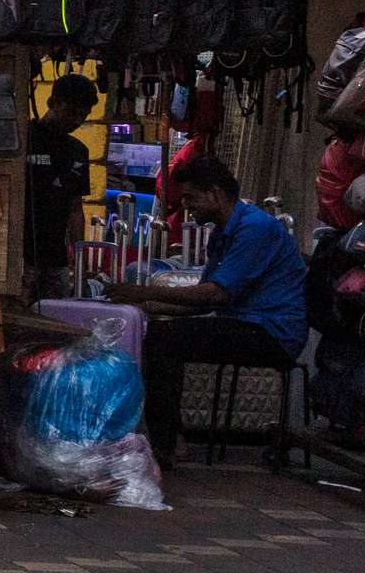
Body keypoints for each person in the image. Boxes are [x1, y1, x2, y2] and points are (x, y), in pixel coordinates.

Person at [122, 159, 306, 472]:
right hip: (241, 324)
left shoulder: (255, 228)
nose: (187, 206)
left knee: (164, 341)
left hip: (271, 333)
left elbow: (214, 294)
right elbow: (205, 301)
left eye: (191, 198)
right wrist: (145, 308)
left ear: (216, 194)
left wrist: (146, 293)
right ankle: (164, 436)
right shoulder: (224, 232)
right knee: (154, 333)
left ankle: (165, 444)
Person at [25, 74, 101, 293]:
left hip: (55, 256)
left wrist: (80, 256)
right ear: (53, 103)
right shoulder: (24, 139)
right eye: (71, 112)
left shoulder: (79, 151)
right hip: (21, 254)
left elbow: (75, 208)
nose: (76, 121)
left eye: (83, 115)